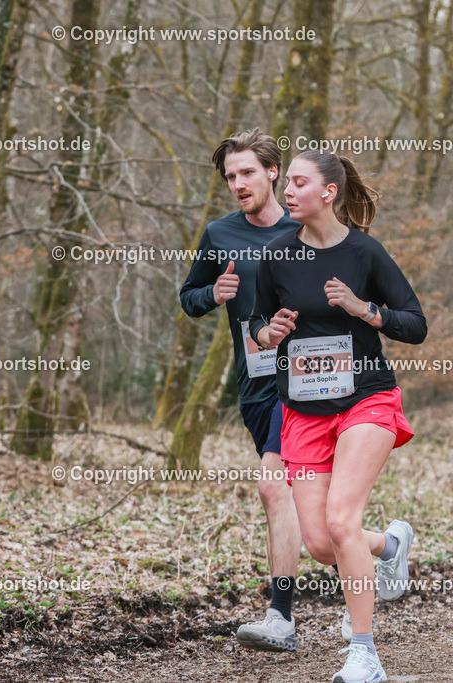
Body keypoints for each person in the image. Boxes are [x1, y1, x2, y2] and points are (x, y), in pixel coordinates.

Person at [251, 149, 426, 683]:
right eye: (288, 185)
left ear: (328, 192)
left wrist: (362, 309)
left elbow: (415, 324)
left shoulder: (365, 253)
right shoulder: (276, 256)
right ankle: (390, 545)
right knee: (324, 543)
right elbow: (258, 325)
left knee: (342, 519)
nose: (288, 192)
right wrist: (268, 334)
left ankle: (364, 653)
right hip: (303, 411)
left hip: (366, 400)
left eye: (299, 183)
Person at [179, 128, 303, 651]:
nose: (238, 183)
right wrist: (214, 291)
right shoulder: (220, 234)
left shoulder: (309, 228)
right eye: (230, 176)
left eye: (247, 172)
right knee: (310, 515)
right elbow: (188, 298)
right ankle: (387, 545)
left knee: (274, 487)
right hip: (256, 382)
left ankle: (281, 617)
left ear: (273, 172)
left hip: (311, 381)